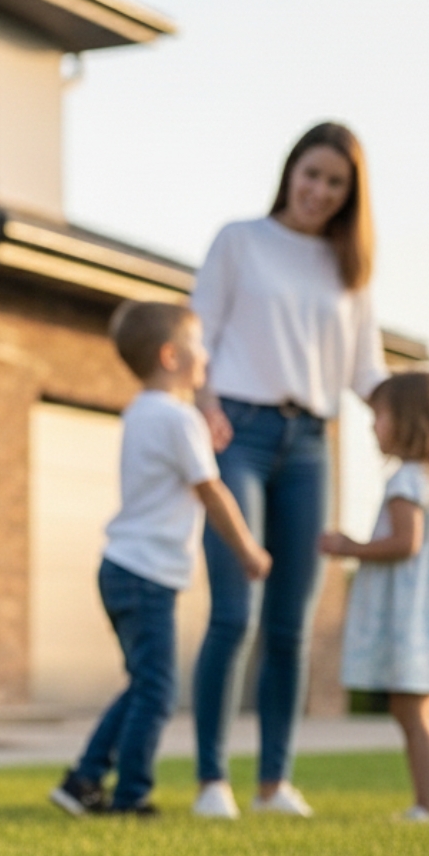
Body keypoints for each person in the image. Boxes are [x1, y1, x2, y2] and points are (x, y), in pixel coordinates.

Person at [187, 122, 390, 819]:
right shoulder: (239, 240)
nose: (319, 191)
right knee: (235, 611)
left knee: (291, 625)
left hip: (311, 443)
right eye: (312, 174)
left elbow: (368, 371)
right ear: (290, 171)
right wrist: (205, 407)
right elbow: (198, 337)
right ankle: (212, 780)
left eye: (336, 183)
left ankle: (275, 783)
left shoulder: (350, 272)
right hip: (236, 430)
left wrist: (414, 414)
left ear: (349, 195)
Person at [52, 302, 270, 818]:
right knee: (158, 691)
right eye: (199, 345)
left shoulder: (144, 412)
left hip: (121, 569)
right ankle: (131, 797)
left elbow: (180, 466)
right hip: (147, 575)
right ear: (171, 356)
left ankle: (83, 778)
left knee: (144, 685)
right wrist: (248, 550)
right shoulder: (179, 418)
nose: (207, 356)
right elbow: (211, 491)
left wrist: (200, 439)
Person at [320, 373, 429, 823]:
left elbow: (404, 543)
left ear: (409, 421)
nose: (373, 426)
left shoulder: (407, 480)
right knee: (413, 711)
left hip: (414, 613)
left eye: (380, 416)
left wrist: (348, 547)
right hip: (428, 609)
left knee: (413, 713)